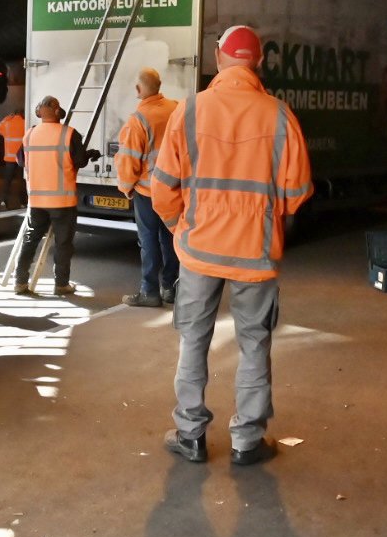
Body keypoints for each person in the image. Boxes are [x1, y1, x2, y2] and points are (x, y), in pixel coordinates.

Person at [152, 25, 313, 467]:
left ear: (218, 59)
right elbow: (297, 192)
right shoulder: (280, 116)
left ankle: (190, 434)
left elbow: (162, 187)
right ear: (257, 63)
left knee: (193, 340)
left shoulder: (188, 112)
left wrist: (180, 228)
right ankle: (246, 441)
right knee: (254, 344)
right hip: (255, 255)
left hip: (199, 250)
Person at [13, 95, 95, 296]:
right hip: (63, 201)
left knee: (30, 239)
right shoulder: (69, 134)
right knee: (63, 243)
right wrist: (90, 153)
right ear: (58, 112)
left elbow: (21, 161)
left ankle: (20, 281)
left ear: (39, 113)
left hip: (37, 199)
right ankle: (61, 284)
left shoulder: (29, 135)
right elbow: (80, 161)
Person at [116, 67, 180, 308]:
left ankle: (149, 291)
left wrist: (125, 187)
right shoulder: (176, 109)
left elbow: (129, 159)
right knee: (171, 238)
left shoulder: (138, 120)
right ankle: (171, 288)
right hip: (174, 189)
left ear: (138, 89)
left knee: (149, 241)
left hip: (147, 192)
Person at [0, 109, 27, 209]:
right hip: (22, 158)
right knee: (22, 181)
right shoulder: (25, 123)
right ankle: (22, 203)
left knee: (7, 181)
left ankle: (4, 201)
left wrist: (7, 118)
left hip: (9, 158)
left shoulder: (7, 123)